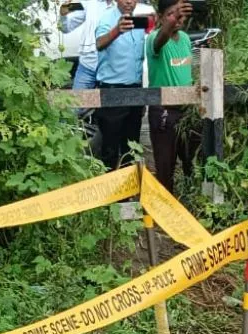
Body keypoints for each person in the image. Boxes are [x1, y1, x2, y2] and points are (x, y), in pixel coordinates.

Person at [145, 0, 197, 193]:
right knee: (165, 167)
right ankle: (165, 213)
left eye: (180, 14)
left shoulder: (184, 38)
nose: (177, 19)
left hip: (187, 111)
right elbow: (162, 37)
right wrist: (172, 19)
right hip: (164, 112)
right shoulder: (154, 40)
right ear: (159, 18)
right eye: (171, 14)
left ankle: (191, 203)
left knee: (191, 161)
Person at [94, 0, 147, 170]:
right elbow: (99, 43)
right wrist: (117, 30)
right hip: (112, 91)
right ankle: (109, 194)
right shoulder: (106, 19)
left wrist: (142, 97)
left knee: (131, 148)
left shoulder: (139, 21)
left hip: (135, 91)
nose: (129, 1)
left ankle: (128, 194)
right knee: (109, 149)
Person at [60, 0, 114, 95]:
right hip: (88, 66)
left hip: (112, 68)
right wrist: (63, 15)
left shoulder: (125, 4)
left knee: (111, 107)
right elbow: (66, 28)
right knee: (77, 106)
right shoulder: (89, 3)